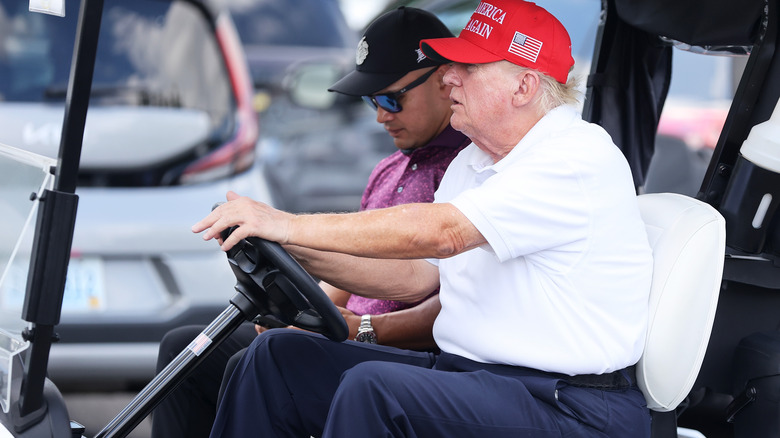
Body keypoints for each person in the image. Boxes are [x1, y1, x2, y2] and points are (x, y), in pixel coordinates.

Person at [196, 0, 655, 436]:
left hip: (572, 406)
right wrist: (293, 251)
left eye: (470, 67)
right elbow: (414, 278)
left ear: (524, 86)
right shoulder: (475, 160)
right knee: (277, 356)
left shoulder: (574, 155)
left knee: (374, 390)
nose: (449, 77)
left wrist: (287, 225)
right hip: (479, 377)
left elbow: (444, 234)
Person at [149, 7, 469, 438]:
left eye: (392, 98)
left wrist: (364, 330)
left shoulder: (468, 171)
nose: (380, 115)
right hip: (350, 335)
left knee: (266, 358)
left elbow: (442, 291)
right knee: (188, 349)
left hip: (408, 355)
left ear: (443, 78)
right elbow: (348, 276)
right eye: (372, 101)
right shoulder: (390, 168)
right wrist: (305, 310)